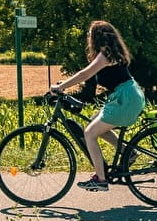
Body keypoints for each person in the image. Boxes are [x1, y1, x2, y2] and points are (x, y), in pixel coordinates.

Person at [48, 20, 145, 191]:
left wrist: (61, 87)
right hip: (127, 95)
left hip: (125, 98)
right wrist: (65, 84)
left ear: (96, 37)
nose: (88, 38)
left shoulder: (105, 54)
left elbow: (85, 73)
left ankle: (100, 179)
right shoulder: (112, 52)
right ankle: (128, 152)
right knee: (94, 121)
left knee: (89, 133)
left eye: (89, 34)